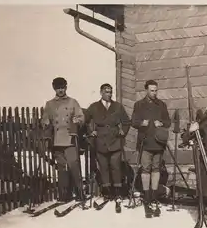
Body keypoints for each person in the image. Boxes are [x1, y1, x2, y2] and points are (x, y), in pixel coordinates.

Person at [85, 83, 131, 213]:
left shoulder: (118, 106)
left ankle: (117, 193)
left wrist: (123, 132)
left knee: (115, 167)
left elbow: (127, 122)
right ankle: (107, 193)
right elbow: (85, 120)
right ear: (101, 92)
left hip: (115, 142)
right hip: (100, 143)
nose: (109, 94)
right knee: (104, 167)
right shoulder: (94, 107)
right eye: (106, 92)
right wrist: (90, 131)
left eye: (110, 92)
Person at [131, 80, 171, 218]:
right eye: (152, 90)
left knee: (156, 169)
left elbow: (168, 122)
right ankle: (147, 197)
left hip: (158, 142)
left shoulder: (161, 105)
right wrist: (142, 123)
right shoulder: (139, 105)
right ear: (146, 90)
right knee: (146, 169)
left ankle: (154, 197)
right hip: (145, 142)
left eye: (156, 90)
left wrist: (162, 123)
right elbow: (133, 122)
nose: (154, 93)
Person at [41, 77, 85, 201]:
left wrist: (78, 120)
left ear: (66, 87)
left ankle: (80, 193)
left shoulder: (72, 102)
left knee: (74, 166)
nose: (60, 90)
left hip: (70, 138)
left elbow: (81, 116)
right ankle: (64, 195)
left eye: (62, 87)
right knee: (62, 168)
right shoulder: (50, 104)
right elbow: (45, 118)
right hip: (56, 140)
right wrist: (45, 122)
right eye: (58, 88)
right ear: (54, 89)